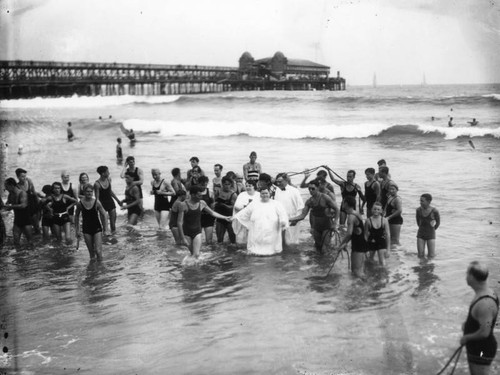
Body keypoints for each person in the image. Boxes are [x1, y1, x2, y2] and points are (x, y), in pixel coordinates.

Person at [460, 261, 498, 375]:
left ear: (471, 277)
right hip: (478, 347)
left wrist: (466, 338)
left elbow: (484, 332)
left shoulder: (485, 303)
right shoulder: (484, 293)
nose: (465, 276)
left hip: (481, 349)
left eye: (467, 273)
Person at [178, 185, 231, 259]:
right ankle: (191, 268)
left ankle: (194, 268)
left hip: (197, 232)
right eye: (199, 196)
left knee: (196, 254)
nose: (201, 197)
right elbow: (179, 223)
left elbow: (212, 213)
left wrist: (225, 217)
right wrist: (182, 238)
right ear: (193, 195)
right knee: (193, 254)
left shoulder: (202, 203)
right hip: (186, 233)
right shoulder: (183, 205)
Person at [233, 187, 288, 256]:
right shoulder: (254, 204)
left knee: (272, 252)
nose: (265, 195)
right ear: (260, 195)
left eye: (266, 193)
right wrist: (235, 217)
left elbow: (282, 214)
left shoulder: (276, 204)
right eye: (263, 193)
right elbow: (245, 212)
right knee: (255, 252)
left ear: (270, 194)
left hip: (272, 232)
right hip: (256, 232)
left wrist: (283, 221)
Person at [289, 179, 339, 253]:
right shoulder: (309, 201)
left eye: (313, 188)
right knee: (318, 248)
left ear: (318, 188)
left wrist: (335, 223)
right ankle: (320, 263)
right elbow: (302, 216)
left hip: (327, 226)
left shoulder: (325, 197)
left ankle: (327, 262)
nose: (311, 190)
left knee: (324, 249)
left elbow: (337, 209)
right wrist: (290, 219)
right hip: (316, 227)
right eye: (309, 189)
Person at [336, 196, 367, 278]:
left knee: (356, 271)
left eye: (343, 202)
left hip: (358, 244)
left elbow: (349, 233)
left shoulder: (351, 217)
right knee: (356, 270)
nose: (342, 204)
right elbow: (353, 233)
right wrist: (345, 243)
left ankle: (368, 286)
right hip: (360, 242)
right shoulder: (355, 213)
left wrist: (341, 245)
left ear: (346, 204)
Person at [75, 183, 108, 260]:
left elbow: (104, 214)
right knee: (92, 254)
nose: (89, 193)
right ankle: (93, 270)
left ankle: (101, 268)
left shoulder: (96, 202)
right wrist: (77, 230)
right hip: (86, 229)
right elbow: (76, 216)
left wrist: (106, 228)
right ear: (84, 192)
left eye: (91, 191)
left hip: (97, 228)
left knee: (98, 251)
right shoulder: (80, 204)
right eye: (87, 191)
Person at [274, 173, 304, 246]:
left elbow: (300, 207)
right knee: (281, 240)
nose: (278, 183)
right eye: (277, 181)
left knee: (292, 240)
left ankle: (293, 255)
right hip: (281, 219)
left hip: (292, 218)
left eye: (280, 181)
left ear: (286, 180)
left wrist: (295, 220)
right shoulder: (277, 190)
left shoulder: (294, 191)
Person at [3, 178, 33, 246]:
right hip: (17, 221)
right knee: (16, 242)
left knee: (30, 242)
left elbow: (23, 205)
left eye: (6, 186)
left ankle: (32, 255)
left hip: (26, 221)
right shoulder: (10, 195)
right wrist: (4, 209)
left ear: (11, 185)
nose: (6, 188)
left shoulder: (22, 193)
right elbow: (7, 207)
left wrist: (10, 207)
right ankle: (19, 255)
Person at [94, 166, 121, 234]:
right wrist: (98, 208)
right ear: (103, 173)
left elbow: (110, 191)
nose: (109, 173)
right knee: (105, 227)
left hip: (110, 202)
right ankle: (106, 240)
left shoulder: (109, 179)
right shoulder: (97, 184)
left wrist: (118, 200)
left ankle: (113, 239)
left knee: (113, 225)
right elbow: (97, 198)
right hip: (102, 204)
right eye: (107, 171)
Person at [364, 202, 390, 266]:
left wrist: (388, 249)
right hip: (371, 242)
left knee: (382, 262)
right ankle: (372, 274)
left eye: (378, 209)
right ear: (372, 209)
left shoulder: (384, 220)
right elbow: (365, 235)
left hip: (381, 242)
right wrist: (366, 249)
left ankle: (383, 275)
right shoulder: (368, 221)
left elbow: (388, 235)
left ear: (381, 211)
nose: (376, 211)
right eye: (375, 209)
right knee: (369, 261)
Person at [232, 180, 258, 244]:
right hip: (242, 221)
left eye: (250, 186)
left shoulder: (258, 195)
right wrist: (246, 207)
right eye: (246, 186)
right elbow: (236, 207)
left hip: (254, 221)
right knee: (241, 241)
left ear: (254, 186)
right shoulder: (242, 195)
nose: (248, 187)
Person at [16, 168, 40, 234]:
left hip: (32, 203)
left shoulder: (29, 181)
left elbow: (34, 192)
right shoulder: (17, 186)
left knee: (36, 224)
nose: (24, 178)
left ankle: (38, 236)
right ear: (18, 177)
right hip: (25, 206)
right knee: (27, 224)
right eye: (22, 177)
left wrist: (38, 203)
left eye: (25, 176)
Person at [416, 193, 440, 258]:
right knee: (420, 255)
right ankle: (421, 267)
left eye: (422, 201)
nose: (420, 202)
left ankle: (429, 267)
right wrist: (422, 228)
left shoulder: (434, 211)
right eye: (420, 201)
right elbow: (418, 222)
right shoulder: (418, 210)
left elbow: (438, 223)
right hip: (421, 234)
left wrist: (432, 229)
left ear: (428, 202)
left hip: (431, 234)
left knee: (431, 256)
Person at [214, 176, 237, 244]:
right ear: (222, 184)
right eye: (225, 184)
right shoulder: (218, 192)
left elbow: (234, 207)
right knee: (219, 241)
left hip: (230, 218)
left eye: (228, 184)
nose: (227, 186)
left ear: (231, 185)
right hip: (220, 218)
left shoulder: (233, 194)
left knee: (232, 241)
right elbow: (214, 202)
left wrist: (224, 205)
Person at [197, 175, 215, 244]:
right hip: (198, 217)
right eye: (202, 185)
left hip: (208, 217)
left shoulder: (210, 192)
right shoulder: (195, 193)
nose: (204, 187)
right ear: (198, 184)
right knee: (198, 239)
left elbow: (213, 205)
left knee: (209, 240)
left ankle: (209, 253)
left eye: (205, 184)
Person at [385, 182, 403, 247]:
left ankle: (399, 253)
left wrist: (389, 217)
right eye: (390, 189)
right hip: (389, 219)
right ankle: (393, 253)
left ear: (397, 190)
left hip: (396, 220)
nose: (391, 191)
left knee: (395, 239)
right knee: (389, 238)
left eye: (393, 189)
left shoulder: (397, 199)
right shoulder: (390, 197)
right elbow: (387, 207)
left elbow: (399, 210)